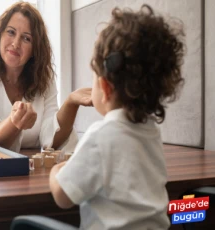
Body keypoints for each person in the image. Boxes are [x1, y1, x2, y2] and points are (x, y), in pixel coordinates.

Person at [49, 4, 185, 230]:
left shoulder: (101, 135)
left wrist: (56, 170)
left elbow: (63, 197)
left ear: (105, 87)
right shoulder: (151, 132)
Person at [0, 2, 92, 152]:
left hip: (32, 170)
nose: (15, 43)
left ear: (34, 49)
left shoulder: (44, 78)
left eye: (26, 38)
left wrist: (71, 103)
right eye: (11, 32)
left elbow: (50, 139)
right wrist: (14, 123)